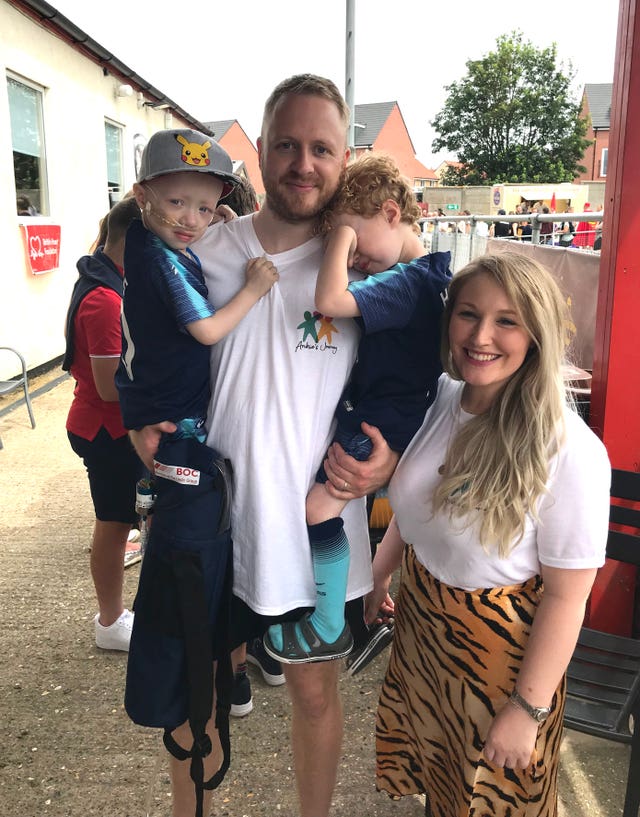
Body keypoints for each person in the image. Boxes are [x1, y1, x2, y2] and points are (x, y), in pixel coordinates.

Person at [129, 74, 399, 817]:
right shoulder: (205, 251)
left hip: (313, 529)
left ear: (346, 159)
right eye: (286, 144)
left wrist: (390, 458)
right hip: (208, 522)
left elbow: (415, 393)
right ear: (264, 153)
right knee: (195, 697)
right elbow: (141, 357)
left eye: (321, 147)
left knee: (313, 693)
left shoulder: (367, 270)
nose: (302, 162)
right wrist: (134, 424)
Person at [365, 252, 611, 816]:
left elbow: (568, 597)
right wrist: (378, 574)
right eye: (468, 314)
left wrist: (527, 712)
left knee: (494, 801)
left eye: (507, 320)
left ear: (537, 334)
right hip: (424, 629)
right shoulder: (439, 400)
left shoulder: (569, 450)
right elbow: (415, 509)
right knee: (443, 785)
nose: (481, 336)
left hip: (500, 660)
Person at [262, 153, 451, 665]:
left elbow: (328, 298)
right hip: (393, 415)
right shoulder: (425, 278)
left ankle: (328, 624)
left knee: (319, 507)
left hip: (382, 421)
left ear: (392, 213)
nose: (354, 261)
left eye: (356, 244)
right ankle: (340, 613)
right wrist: (350, 230)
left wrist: (340, 233)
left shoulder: (407, 282)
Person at [63, 196, 146, 651]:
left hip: (111, 427)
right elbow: (110, 385)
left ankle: (114, 615)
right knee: (113, 525)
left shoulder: (108, 280)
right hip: (105, 429)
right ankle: (110, 620)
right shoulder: (103, 298)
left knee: (120, 522)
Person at [219, 177, 286, 718]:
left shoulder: (358, 266)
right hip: (217, 486)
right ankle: (247, 663)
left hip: (303, 504)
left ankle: (248, 662)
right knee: (230, 587)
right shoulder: (195, 254)